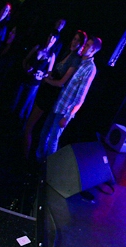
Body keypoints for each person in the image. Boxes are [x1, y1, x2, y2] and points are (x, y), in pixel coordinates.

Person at [35, 36, 101, 160]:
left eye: (87, 45)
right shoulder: (79, 61)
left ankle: (50, 168)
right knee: (44, 132)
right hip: (58, 103)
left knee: (53, 140)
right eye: (85, 44)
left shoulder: (90, 68)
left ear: (93, 50)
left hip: (64, 110)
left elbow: (81, 97)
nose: (84, 46)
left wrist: (67, 116)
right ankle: (39, 161)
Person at [23, 30, 86, 158]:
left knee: (30, 126)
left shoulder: (75, 59)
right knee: (31, 125)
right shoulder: (67, 53)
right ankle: (28, 155)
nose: (74, 42)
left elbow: (61, 83)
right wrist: (48, 75)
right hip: (46, 90)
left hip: (49, 95)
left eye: (78, 41)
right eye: (74, 39)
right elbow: (55, 73)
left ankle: (25, 157)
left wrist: (46, 79)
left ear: (82, 45)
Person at [11, 31, 57, 123]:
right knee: (15, 101)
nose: (50, 40)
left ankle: (18, 124)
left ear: (55, 41)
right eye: (50, 37)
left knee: (24, 106)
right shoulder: (38, 47)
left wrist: (41, 75)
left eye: (53, 39)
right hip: (25, 78)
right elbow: (25, 59)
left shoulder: (51, 55)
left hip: (34, 83)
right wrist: (26, 68)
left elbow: (49, 73)